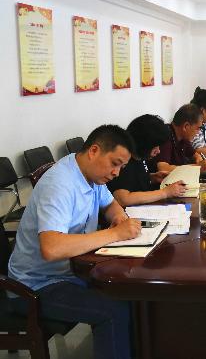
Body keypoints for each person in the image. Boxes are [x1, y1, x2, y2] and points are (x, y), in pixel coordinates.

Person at [8, 125, 143, 359]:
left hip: (71, 272)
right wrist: (115, 234)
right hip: (36, 285)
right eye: (115, 163)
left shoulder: (90, 173)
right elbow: (52, 248)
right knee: (113, 310)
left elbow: (110, 204)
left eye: (121, 167)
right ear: (94, 151)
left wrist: (119, 218)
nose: (116, 173)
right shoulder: (59, 184)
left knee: (131, 292)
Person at [107, 114, 187, 206]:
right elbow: (123, 199)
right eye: (155, 147)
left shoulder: (140, 156)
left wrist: (152, 178)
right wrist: (165, 193)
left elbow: (133, 180)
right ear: (144, 143)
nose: (158, 151)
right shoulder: (123, 161)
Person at [154, 104, 206, 173]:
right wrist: (197, 167)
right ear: (186, 126)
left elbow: (195, 154)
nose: (198, 132)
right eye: (197, 128)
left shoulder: (183, 136)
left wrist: (198, 158)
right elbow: (163, 168)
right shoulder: (165, 135)